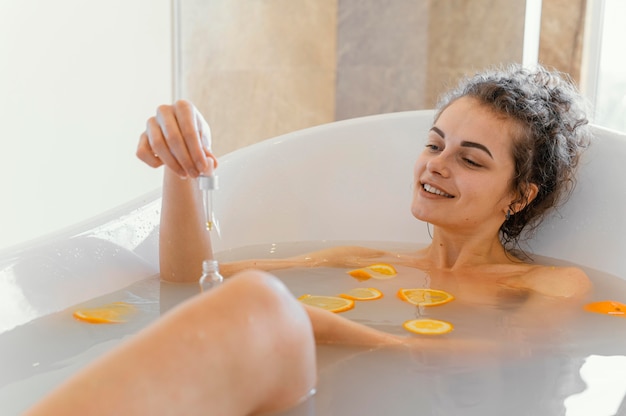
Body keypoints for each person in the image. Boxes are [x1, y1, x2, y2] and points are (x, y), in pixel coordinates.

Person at [28, 63, 592, 415]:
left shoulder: (549, 281)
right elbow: (189, 284)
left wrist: (312, 324)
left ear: (518, 196)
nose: (438, 165)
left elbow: (518, 363)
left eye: (470, 159)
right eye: (434, 144)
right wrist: (184, 169)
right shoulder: (359, 261)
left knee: (261, 306)